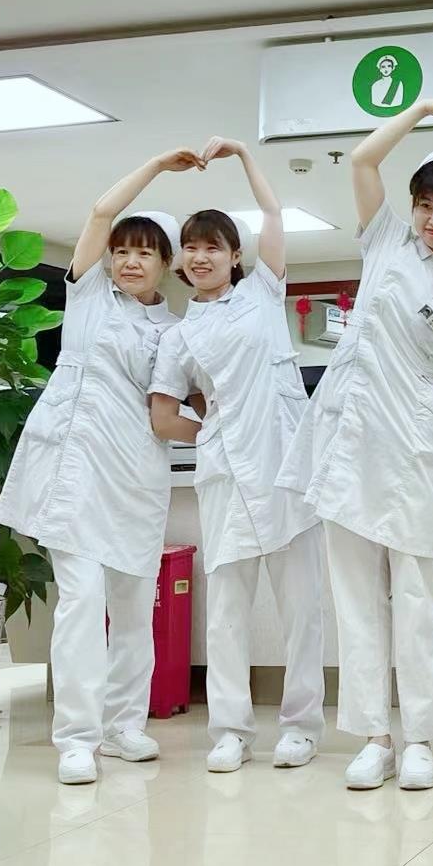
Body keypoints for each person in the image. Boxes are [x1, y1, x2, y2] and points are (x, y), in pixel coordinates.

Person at [274, 96, 433, 792]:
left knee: (416, 594)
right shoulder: (388, 243)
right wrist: (423, 110)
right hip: (350, 440)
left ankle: (421, 736)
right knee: (355, 597)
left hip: (417, 447)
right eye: (425, 204)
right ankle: (373, 736)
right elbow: (365, 158)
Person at [0, 152, 192, 785]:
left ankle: (123, 725)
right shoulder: (87, 297)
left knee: (134, 604)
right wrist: (156, 167)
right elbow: (102, 210)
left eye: (145, 253)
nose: (130, 261)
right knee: (81, 600)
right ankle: (77, 736)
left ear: (168, 264)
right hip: (75, 469)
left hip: (136, 471)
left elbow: (175, 408)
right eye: (122, 251)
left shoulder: (176, 331)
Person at [149, 137, 326, 776]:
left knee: (301, 608)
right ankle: (230, 730)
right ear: (180, 261)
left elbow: (273, 214)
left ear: (234, 256)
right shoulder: (179, 335)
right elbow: (163, 415)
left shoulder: (263, 296)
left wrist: (245, 156)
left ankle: (301, 727)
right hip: (225, 474)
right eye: (191, 248)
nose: (201, 257)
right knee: (226, 613)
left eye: (213, 247)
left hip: (285, 469)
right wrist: (211, 432)